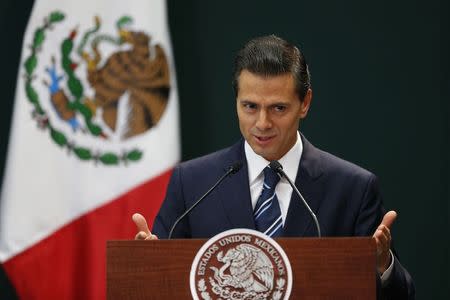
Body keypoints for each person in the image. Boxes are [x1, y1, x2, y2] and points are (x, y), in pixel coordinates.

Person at [133, 35, 414, 299]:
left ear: (305, 103)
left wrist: (382, 266)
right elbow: (161, 285)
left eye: (278, 108)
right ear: (236, 102)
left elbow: (400, 296)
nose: (262, 123)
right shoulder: (192, 182)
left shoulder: (352, 188)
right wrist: (149, 267)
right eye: (250, 106)